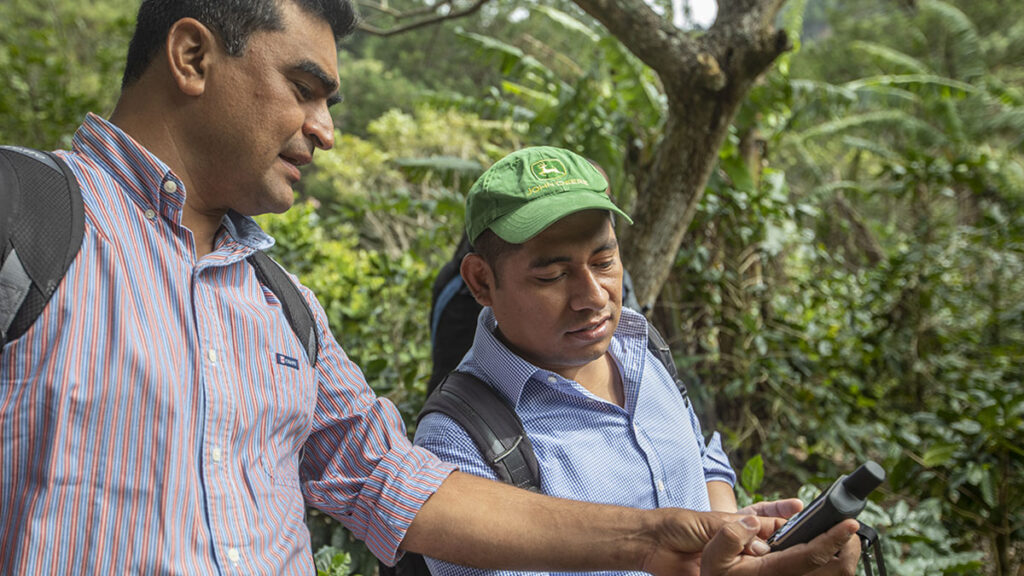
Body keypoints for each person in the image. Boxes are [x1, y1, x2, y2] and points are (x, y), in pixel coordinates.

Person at [0, 1, 860, 575]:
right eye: (306, 89)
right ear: (191, 55)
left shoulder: (282, 307)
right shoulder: (27, 223)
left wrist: (659, 536)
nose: (325, 130)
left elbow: (390, 483)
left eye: (600, 259)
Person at [414, 146, 860, 576]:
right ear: (481, 281)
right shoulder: (459, 444)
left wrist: (732, 533)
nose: (593, 297)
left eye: (605, 261)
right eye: (552, 275)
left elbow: (700, 459)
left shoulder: (640, 345)